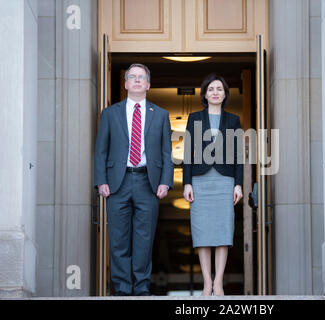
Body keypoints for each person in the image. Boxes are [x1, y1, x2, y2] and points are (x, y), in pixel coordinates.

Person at [94, 63, 174, 296]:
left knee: (144, 238)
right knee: (118, 238)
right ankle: (121, 288)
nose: (137, 80)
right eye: (133, 77)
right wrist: (101, 181)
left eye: (142, 77)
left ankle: (140, 287)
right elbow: (101, 150)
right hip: (117, 183)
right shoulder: (110, 113)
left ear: (148, 85)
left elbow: (167, 152)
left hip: (147, 182)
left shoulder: (160, 115)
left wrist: (165, 181)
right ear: (126, 83)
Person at [183, 74, 243, 296]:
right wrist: (186, 182)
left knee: (223, 232)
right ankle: (206, 282)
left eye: (219, 89)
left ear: (225, 94)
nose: (215, 92)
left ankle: (219, 283)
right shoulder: (194, 118)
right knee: (203, 234)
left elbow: (238, 156)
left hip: (224, 181)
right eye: (211, 89)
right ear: (205, 94)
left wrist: (238, 184)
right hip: (200, 181)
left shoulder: (234, 120)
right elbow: (188, 152)